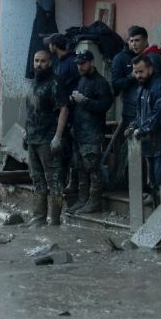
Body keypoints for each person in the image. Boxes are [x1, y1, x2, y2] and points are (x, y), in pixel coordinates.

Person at [21, 50, 69, 227]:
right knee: (37, 179)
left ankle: (55, 221)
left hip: (48, 139)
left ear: (50, 63)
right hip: (32, 139)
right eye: (36, 60)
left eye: (42, 61)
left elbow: (64, 109)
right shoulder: (33, 83)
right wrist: (26, 133)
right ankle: (39, 218)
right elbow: (31, 111)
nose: (38, 64)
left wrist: (57, 137)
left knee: (54, 181)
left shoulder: (55, 82)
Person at [66, 50, 113, 214]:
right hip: (79, 132)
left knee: (93, 168)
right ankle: (82, 199)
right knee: (80, 167)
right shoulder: (82, 80)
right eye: (78, 63)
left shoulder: (101, 83)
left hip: (93, 132)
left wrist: (84, 101)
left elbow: (104, 105)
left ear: (92, 62)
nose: (80, 66)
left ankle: (94, 202)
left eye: (83, 63)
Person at [124, 55, 161, 207]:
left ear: (150, 69)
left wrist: (141, 130)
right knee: (153, 183)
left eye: (141, 72)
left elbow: (159, 115)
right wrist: (132, 126)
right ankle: (158, 217)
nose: (138, 76)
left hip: (160, 144)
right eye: (136, 72)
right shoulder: (142, 89)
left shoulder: (159, 86)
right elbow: (139, 115)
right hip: (148, 145)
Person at [45, 32, 80, 194]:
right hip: (61, 111)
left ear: (54, 45)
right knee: (64, 149)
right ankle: (65, 181)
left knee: (73, 149)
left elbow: (80, 82)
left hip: (73, 113)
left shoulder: (72, 62)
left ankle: (73, 183)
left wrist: (73, 97)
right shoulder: (60, 62)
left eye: (50, 44)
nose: (48, 47)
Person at [111, 26, 161, 129]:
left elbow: (158, 87)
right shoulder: (121, 58)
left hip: (150, 111)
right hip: (133, 111)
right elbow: (116, 85)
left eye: (137, 40)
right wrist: (131, 76)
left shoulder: (152, 57)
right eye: (131, 41)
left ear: (145, 40)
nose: (134, 44)